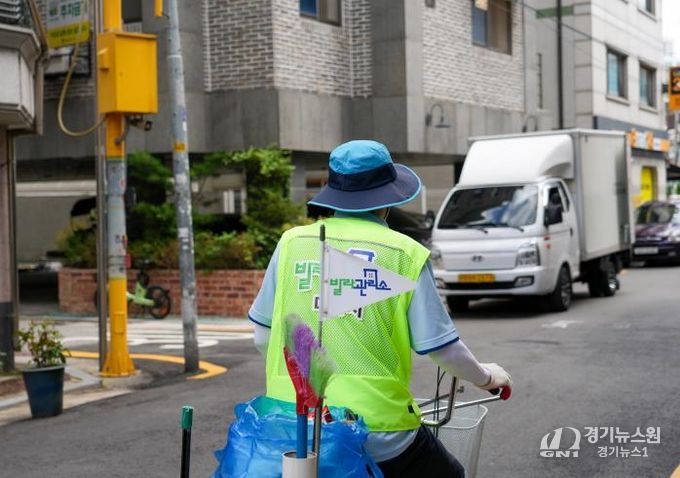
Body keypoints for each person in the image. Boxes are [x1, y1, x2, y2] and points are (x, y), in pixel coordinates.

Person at [248, 140, 512, 478]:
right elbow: (443, 349)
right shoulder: (404, 253)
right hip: (379, 429)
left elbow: (262, 336)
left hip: (291, 424)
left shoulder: (290, 243)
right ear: (387, 200)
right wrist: (486, 377)